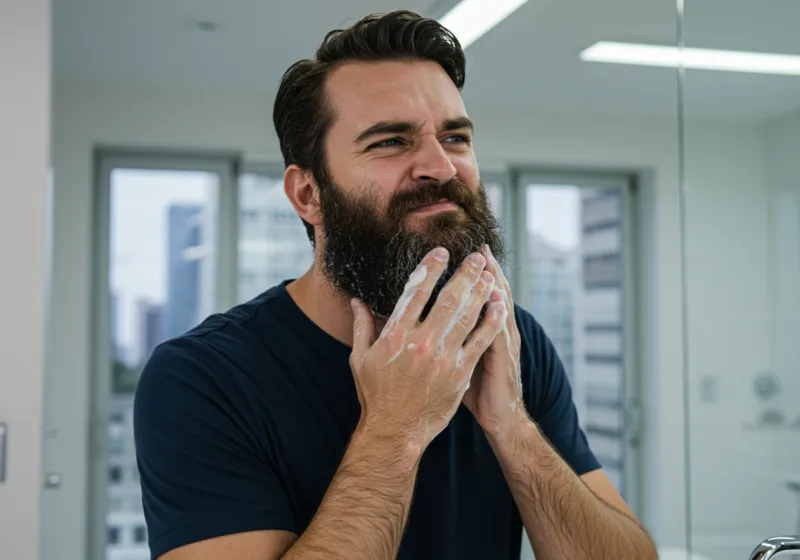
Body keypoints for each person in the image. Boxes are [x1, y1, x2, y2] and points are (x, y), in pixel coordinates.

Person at [133, 10, 657, 560]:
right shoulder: (202, 380)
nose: (440, 165)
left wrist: (513, 428)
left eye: (455, 137)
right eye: (389, 142)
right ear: (309, 195)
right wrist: (396, 428)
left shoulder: (509, 339)